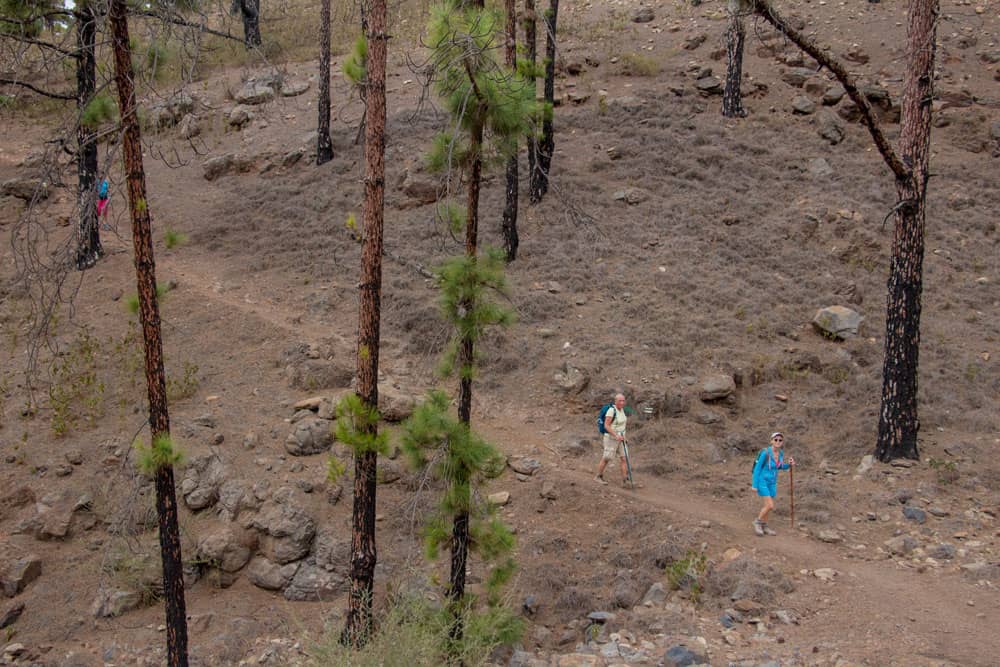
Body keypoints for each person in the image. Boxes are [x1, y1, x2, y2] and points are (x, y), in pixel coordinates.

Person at [751, 431, 794, 536]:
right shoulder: (765, 453)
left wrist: (788, 465)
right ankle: (757, 522)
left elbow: (778, 466)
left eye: (780, 440)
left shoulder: (780, 454)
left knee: (767, 506)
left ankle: (764, 526)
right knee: (770, 505)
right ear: (771, 441)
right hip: (762, 481)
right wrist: (754, 485)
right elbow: (757, 469)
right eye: (776, 439)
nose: (778, 441)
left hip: (772, 482)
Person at [595, 393, 630, 487]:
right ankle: (598, 476)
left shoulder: (622, 410)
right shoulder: (611, 410)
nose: (622, 403)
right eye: (620, 401)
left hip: (621, 438)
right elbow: (606, 425)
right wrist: (615, 435)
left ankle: (625, 481)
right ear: (615, 401)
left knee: (624, 458)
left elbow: (622, 425)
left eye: (623, 401)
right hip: (611, 438)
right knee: (607, 458)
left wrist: (624, 437)